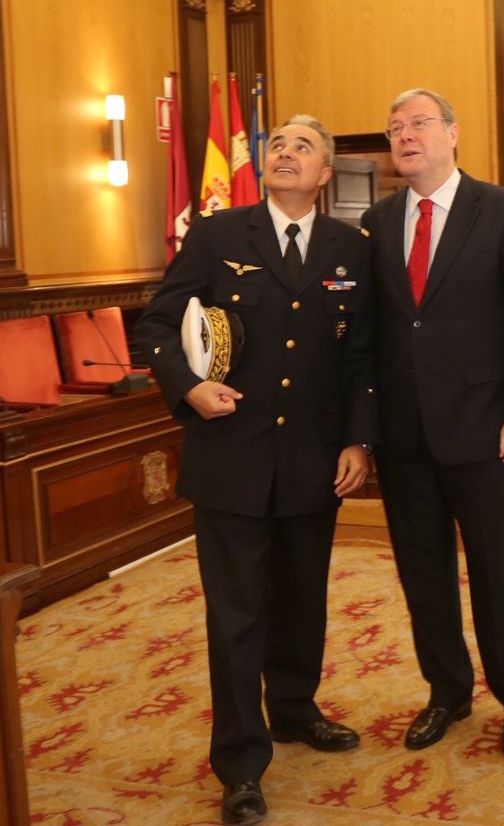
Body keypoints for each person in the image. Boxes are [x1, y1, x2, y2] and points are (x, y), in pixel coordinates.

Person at [135, 115, 375, 826]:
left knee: (302, 602)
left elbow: (361, 355)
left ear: (326, 175)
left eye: (305, 148)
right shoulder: (215, 236)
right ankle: (240, 764)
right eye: (279, 146)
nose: (287, 154)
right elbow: (155, 326)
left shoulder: (348, 248)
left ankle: (295, 711)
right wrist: (188, 387)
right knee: (237, 616)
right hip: (230, 458)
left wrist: (359, 442)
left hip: (312, 461)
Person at [361, 89, 504, 759]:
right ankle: (446, 691)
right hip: (403, 434)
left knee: (499, 571)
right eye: (395, 129)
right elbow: (373, 334)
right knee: (423, 573)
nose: (405, 135)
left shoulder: (499, 210)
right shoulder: (379, 221)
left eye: (418, 123)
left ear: (451, 132)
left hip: (484, 429)